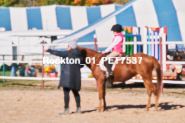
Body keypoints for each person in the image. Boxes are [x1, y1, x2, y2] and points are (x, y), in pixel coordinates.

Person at [44, 39, 84, 115]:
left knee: (66, 92)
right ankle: (78, 108)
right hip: (76, 76)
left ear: (71, 46)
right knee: (76, 92)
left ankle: (66, 109)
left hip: (67, 76)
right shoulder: (80, 55)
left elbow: (58, 53)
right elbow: (81, 65)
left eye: (68, 46)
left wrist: (48, 50)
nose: (67, 47)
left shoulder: (68, 53)